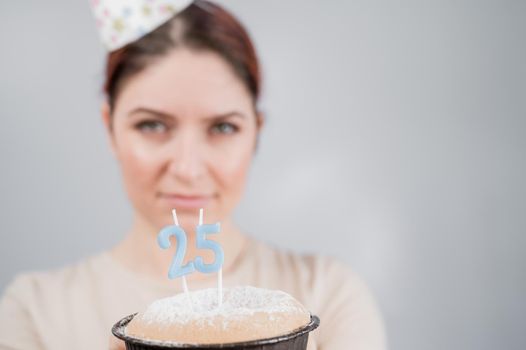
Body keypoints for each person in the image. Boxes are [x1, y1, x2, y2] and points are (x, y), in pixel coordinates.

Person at [0, 1, 386, 349]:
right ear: (109, 129)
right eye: (152, 125)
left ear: (256, 132)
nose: (187, 168)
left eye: (222, 128)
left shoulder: (330, 294)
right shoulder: (32, 310)